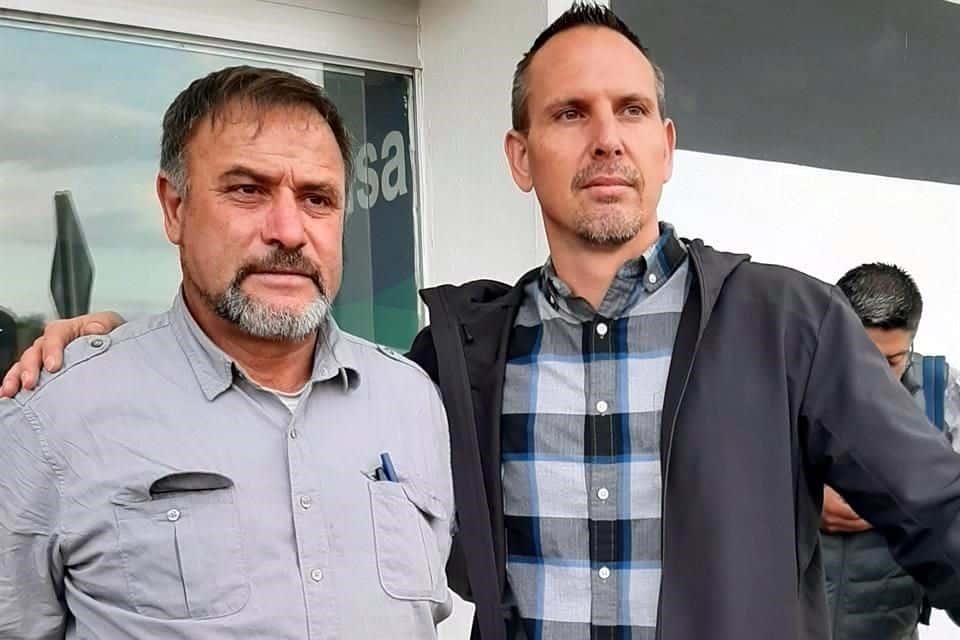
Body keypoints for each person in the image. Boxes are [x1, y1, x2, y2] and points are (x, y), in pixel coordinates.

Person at [6, 4, 960, 640]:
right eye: (570, 113)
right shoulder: (453, 361)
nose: (606, 138)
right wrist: (128, 351)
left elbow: (938, 514)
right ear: (519, 154)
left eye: (631, 110)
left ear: (667, 147)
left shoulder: (785, 323)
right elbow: (266, 378)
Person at [0, 66, 454, 639]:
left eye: (317, 199)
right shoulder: (54, 418)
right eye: (248, 190)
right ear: (174, 207)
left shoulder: (411, 401)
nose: (288, 231)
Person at [821, 263, 960, 640]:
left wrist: (900, 500)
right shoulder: (787, 380)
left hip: (890, 625)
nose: (875, 376)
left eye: (891, 361)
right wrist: (803, 500)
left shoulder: (941, 392)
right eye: (860, 357)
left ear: (911, 343)